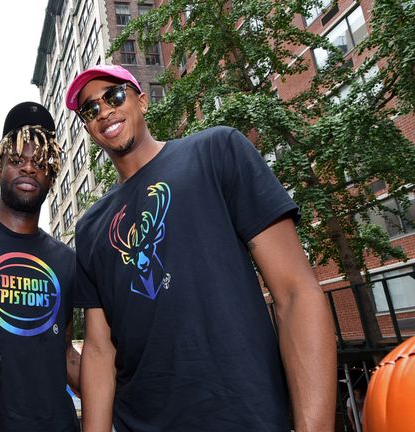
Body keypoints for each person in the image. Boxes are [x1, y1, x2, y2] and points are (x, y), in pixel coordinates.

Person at [64, 65, 337, 431]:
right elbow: (98, 351)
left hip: (244, 418)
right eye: (90, 109)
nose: (104, 111)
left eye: (114, 96)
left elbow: (295, 292)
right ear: (87, 128)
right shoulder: (91, 227)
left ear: (142, 101)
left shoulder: (217, 150)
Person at [0, 102, 80, 431]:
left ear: (52, 176)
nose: (29, 169)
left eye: (40, 163)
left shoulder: (67, 261)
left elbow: (66, 352)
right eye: (17, 161)